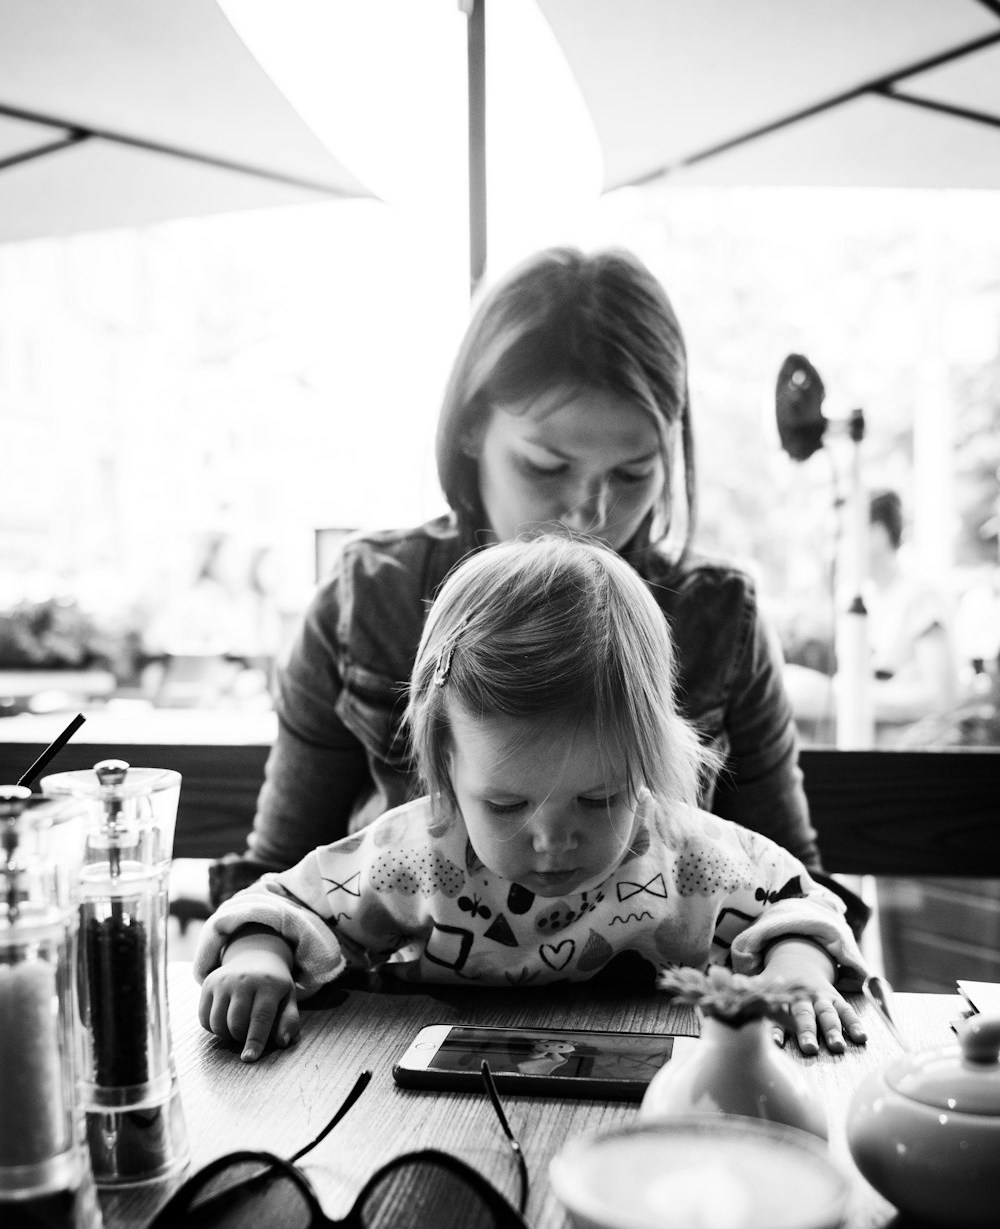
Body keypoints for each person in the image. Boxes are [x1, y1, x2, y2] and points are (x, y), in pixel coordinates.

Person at [214, 246, 860, 925]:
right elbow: (277, 877)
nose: (590, 513)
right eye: (546, 465)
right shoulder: (367, 603)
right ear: (468, 428)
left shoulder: (719, 617)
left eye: (634, 473)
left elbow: (794, 891)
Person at [196, 537, 869, 1063]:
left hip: (644, 1109)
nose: (553, 839)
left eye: (600, 798)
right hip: (437, 1107)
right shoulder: (419, 853)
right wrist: (257, 955)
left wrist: (797, 967)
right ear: (445, 766)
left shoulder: (683, 852)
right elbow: (284, 903)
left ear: (645, 764)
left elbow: (798, 900)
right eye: (507, 806)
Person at [864, 489, 957, 735]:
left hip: (910, 752)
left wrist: (849, 695)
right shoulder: (860, 598)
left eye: (842, 535)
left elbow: (940, 696)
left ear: (877, 534)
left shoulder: (921, 597)